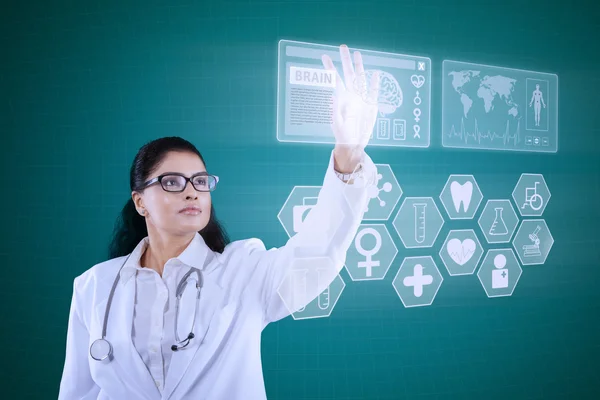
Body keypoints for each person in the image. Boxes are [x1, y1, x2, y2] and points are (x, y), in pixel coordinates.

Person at [58, 44, 381, 400]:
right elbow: (78, 393)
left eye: (200, 181)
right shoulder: (93, 287)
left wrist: (347, 156)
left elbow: (318, 252)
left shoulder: (244, 271)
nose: (192, 192)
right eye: (172, 182)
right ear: (140, 202)